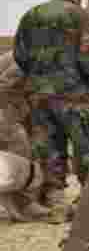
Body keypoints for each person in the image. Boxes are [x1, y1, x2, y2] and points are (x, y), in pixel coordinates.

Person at [13, 0, 89, 221]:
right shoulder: (81, 16)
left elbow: (20, 56)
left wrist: (38, 77)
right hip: (74, 95)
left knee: (48, 149)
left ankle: (55, 204)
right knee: (87, 147)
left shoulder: (31, 16)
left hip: (39, 96)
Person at [0, 51, 48, 221]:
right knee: (19, 147)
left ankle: (28, 201)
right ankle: (24, 205)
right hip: (5, 108)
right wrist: (19, 111)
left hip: (11, 107)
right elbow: (4, 86)